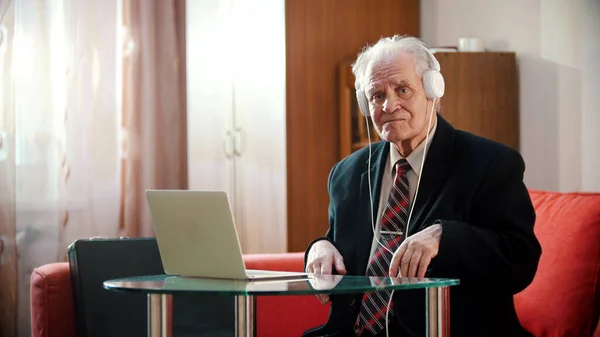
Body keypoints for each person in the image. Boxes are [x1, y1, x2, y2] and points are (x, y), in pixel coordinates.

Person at [303, 35, 542, 337]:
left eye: (402, 90)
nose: (390, 105)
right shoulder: (346, 174)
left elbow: (520, 261)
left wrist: (446, 236)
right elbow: (341, 247)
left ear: (434, 91)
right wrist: (319, 247)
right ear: (365, 104)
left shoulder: (490, 163)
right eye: (376, 95)